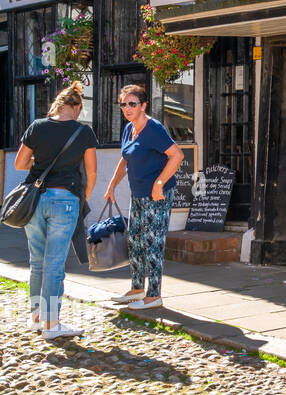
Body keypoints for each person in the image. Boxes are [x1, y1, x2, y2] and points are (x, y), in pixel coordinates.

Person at [13, 82, 98, 339]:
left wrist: (41, 161)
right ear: (76, 107)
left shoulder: (37, 127)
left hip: (36, 199)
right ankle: (52, 324)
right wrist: (83, 197)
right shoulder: (83, 133)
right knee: (54, 265)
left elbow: (20, 163)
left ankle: (37, 317)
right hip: (66, 199)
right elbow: (91, 172)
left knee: (37, 261)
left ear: (58, 104)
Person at [102, 85, 183, 311]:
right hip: (138, 194)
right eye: (124, 104)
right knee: (135, 240)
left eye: (132, 104)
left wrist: (159, 183)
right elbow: (125, 158)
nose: (127, 108)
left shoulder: (153, 128)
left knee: (152, 242)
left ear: (143, 105)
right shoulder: (129, 129)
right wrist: (112, 185)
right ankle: (137, 289)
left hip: (158, 195)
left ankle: (154, 295)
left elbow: (177, 155)